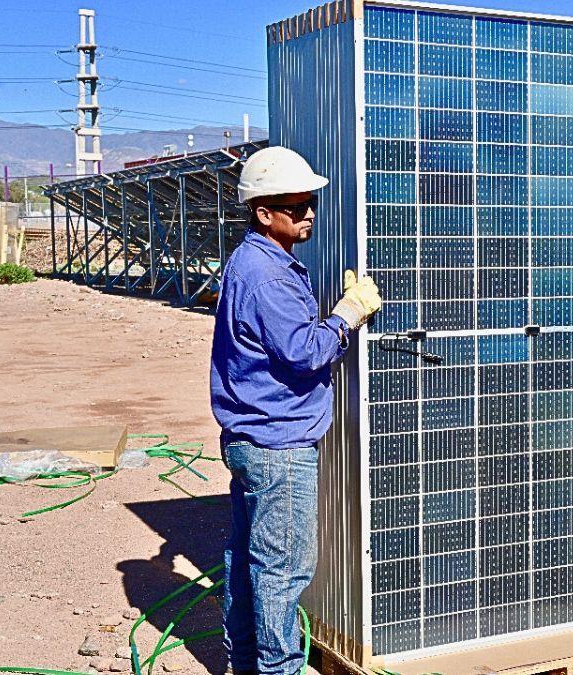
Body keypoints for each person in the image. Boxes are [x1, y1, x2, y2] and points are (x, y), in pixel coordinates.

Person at [210, 146, 381, 674]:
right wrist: (347, 315)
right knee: (283, 570)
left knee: (249, 563)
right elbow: (305, 352)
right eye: (296, 206)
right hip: (277, 447)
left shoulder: (253, 261)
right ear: (264, 213)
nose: (308, 214)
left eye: (310, 203)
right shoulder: (269, 277)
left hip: (250, 437)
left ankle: (245, 665)